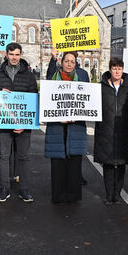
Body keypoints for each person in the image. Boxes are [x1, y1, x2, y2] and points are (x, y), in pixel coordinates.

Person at [0, 43, 38, 203]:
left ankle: (24, 188)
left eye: (17, 54)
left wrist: (24, 124)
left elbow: (33, 100)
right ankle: (4, 188)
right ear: (6, 54)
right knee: (4, 156)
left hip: (23, 125)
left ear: (21, 55)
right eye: (11, 54)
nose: (14, 57)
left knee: (23, 157)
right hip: (2, 123)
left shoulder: (29, 75)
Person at [45, 51, 90, 204]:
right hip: (57, 127)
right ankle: (58, 196)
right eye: (66, 61)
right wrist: (59, 117)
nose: (69, 64)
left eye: (72, 61)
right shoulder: (53, 77)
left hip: (76, 126)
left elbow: (87, 101)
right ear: (61, 62)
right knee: (57, 162)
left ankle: (73, 195)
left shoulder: (82, 77)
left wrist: (78, 114)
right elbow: (48, 100)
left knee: (74, 163)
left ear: (75, 64)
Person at [94, 57, 128, 205]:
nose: (117, 71)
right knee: (108, 164)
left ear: (123, 70)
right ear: (110, 69)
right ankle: (109, 194)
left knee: (121, 164)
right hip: (106, 130)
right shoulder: (100, 87)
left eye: (119, 68)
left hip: (124, 130)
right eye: (114, 68)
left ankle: (117, 194)